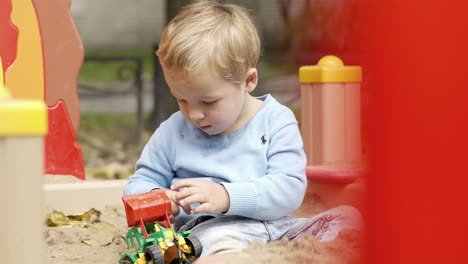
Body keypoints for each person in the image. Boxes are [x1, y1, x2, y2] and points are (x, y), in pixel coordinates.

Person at [124, 0, 361, 257]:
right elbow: (138, 183)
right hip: (211, 230)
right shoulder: (172, 132)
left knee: (348, 218)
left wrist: (227, 196)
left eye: (208, 101)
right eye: (181, 99)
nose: (194, 113)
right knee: (217, 244)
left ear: (248, 81)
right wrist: (158, 198)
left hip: (280, 228)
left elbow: (289, 190)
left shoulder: (276, 120)